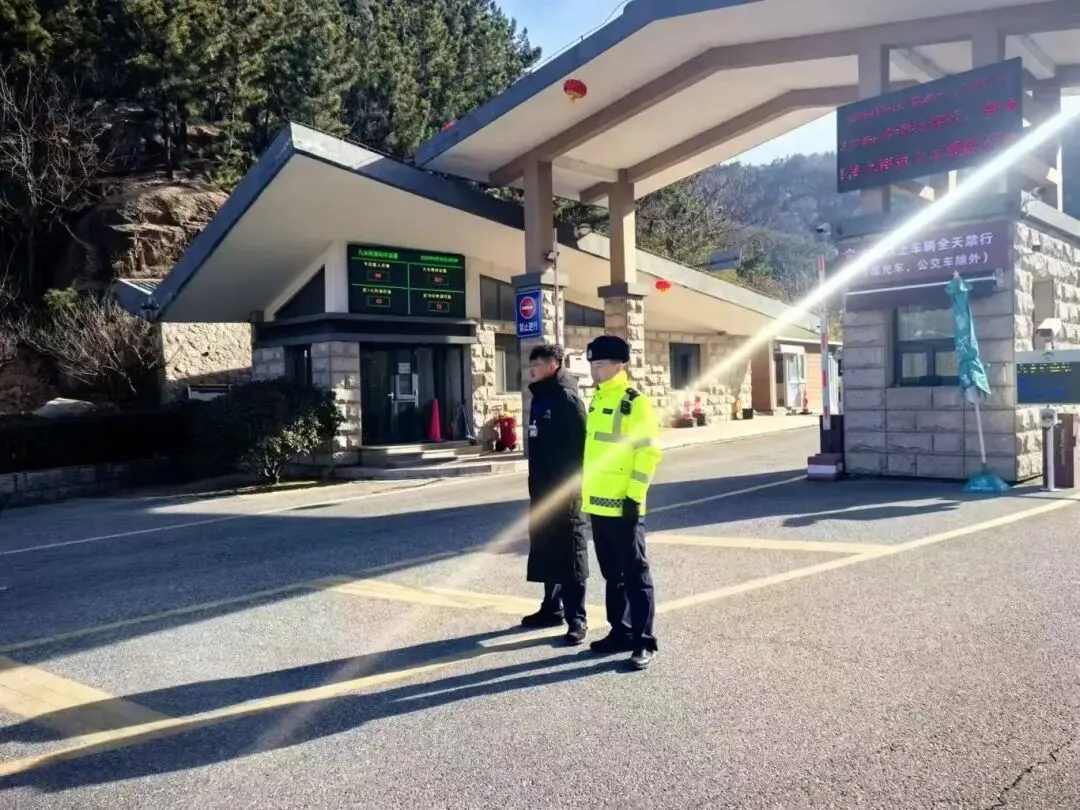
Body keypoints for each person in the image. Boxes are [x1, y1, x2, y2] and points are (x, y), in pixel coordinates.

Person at [581, 335, 662, 670]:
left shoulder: (634, 402)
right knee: (612, 574)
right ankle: (621, 631)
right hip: (598, 505)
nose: (594, 371)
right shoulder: (597, 400)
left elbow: (648, 453)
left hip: (624, 505)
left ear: (620, 365)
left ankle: (644, 642)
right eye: (592, 365)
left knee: (635, 575)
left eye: (600, 365)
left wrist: (634, 496)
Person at [520, 343, 589, 645]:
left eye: (537, 364)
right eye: (531, 364)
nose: (532, 369)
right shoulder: (540, 397)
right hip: (542, 491)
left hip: (565, 493)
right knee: (546, 548)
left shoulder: (567, 399)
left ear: (553, 365)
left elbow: (582, 449)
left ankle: (577, 618)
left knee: (571, 552)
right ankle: (552, 608)